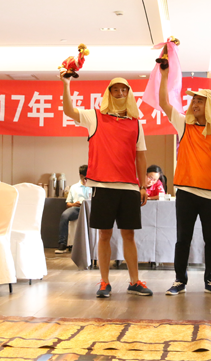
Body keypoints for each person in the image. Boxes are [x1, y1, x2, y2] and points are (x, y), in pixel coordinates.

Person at [61, 70, 152, 298]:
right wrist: (66, 84)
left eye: (124, 90)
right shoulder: (95, 116)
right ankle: (104, 282)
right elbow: (69, 110)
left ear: (129, 94)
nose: (120, 93)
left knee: (129, 235)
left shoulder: (135, 123)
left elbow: (141, 156)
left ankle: (134, 281)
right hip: (102, 186)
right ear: (108, 93)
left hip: (129, 187)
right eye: (115, 89)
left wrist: (142, 186)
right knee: (104, 235)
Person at [158, 66, 211, 296]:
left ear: (210, 105)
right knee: (183, 239)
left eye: (200, 101)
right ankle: (179, 280)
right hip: (186, 192)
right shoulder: (184, 125)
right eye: (194, 101)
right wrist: (164, 76)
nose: (195, 104)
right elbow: (163, 103)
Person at [56, 165, 91, 253]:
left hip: (90, 209)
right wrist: (74, 204)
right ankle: (62, 244)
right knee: (65, 215)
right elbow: (68, 204)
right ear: (80, 175)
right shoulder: (74, 187)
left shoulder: (93, 187)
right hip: (77, 209)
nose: (85, 180)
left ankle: (92, 245)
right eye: (84, 177)